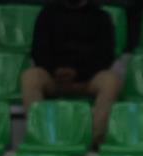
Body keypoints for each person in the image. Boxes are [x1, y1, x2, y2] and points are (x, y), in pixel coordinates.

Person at [21, 0, 121, 146]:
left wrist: (78, 72)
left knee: (111, 81)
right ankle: (40, 136)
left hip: (87, 80)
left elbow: (105, 56)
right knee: (30, 77)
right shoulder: (47, 14)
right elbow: (38, 51)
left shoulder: (101, 16)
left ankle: (94, 138)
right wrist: (55, 70)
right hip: (54, 78)